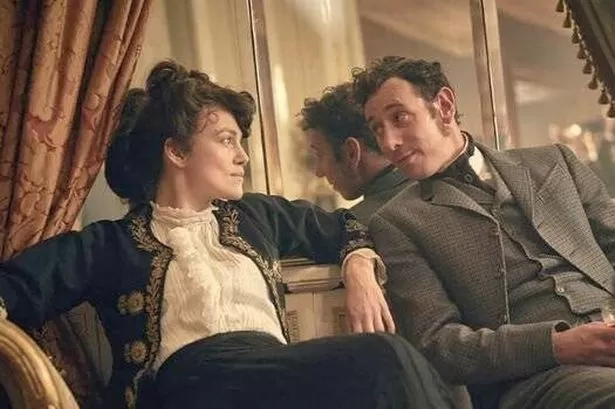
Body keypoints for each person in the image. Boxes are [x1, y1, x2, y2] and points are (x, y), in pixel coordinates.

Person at [0, 60, 455, 409]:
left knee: (390, 365)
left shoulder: (256, 215)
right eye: (225, 140)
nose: (243, 156)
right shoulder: (110, 243)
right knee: (383, 358)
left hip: (271, 372)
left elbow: (343, 227)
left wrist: (359, 269)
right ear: (177, 151)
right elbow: (18, 286)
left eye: (241, 142)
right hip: (188, 385)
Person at [352, 56, 615, 409]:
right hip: (537, 378)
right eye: (377, 129)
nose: (389, 143)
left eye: (399, 118)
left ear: (444, 106)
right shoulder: (397, 221)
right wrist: (556, 345)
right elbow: (439, 345)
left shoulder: (554, 161)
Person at [299, 82, 412, 224]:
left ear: (351, 152)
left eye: (320, 155)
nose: (319, 172)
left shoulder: (359, 226)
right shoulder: (429, 189)